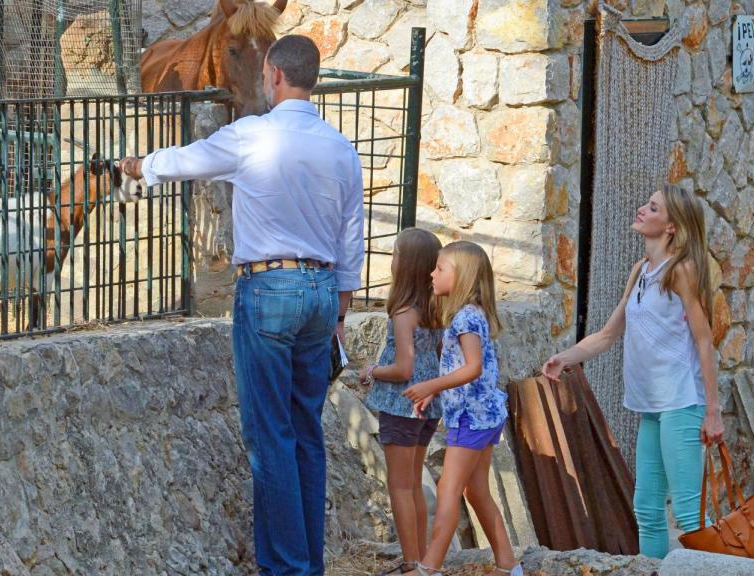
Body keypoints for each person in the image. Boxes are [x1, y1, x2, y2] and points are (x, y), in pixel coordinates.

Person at [120, 34, 364, 576]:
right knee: (305, 428)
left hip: (269, 289)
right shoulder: (340, 147)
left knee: (269, 434)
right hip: (324, 292)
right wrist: (341, 313)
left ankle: (286, 568)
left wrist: (140, 166)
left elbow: (188, 160)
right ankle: (309, 563)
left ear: (274, 74)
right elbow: (352, 238)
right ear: (313, 78)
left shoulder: (253, 134)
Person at [541, 184, 724, 558]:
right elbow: (609, 334)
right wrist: (566, 357)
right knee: (647, 511)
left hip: (681, 403)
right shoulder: (641, 270)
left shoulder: (682, 271)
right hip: (652, 408)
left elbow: (705, 342)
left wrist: (713, 410)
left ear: (671, 226)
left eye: (652, 207)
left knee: (689, 515)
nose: (641, 209)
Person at [400, 241, 522, 576]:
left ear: (463, 277)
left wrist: (430, 386)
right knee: (476, 490)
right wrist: (435, 395)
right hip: (484, 415)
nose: (431, 273)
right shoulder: (471, 314)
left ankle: (429, 567)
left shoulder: (465, 318)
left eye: (440, 268)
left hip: (472, 418)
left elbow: (472, 368)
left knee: (448, 489)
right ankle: (508, 565)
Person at [357, 227, 443, 576]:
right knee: (414, 485)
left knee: (400, 486)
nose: (390, 260)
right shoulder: (435, 307)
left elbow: (404, 367)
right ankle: (422, 560)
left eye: (393, 254)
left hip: (401, 404)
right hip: (428, 405)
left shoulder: (404, 311)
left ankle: (412, 565)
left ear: (405, 264)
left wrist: (373, 371)